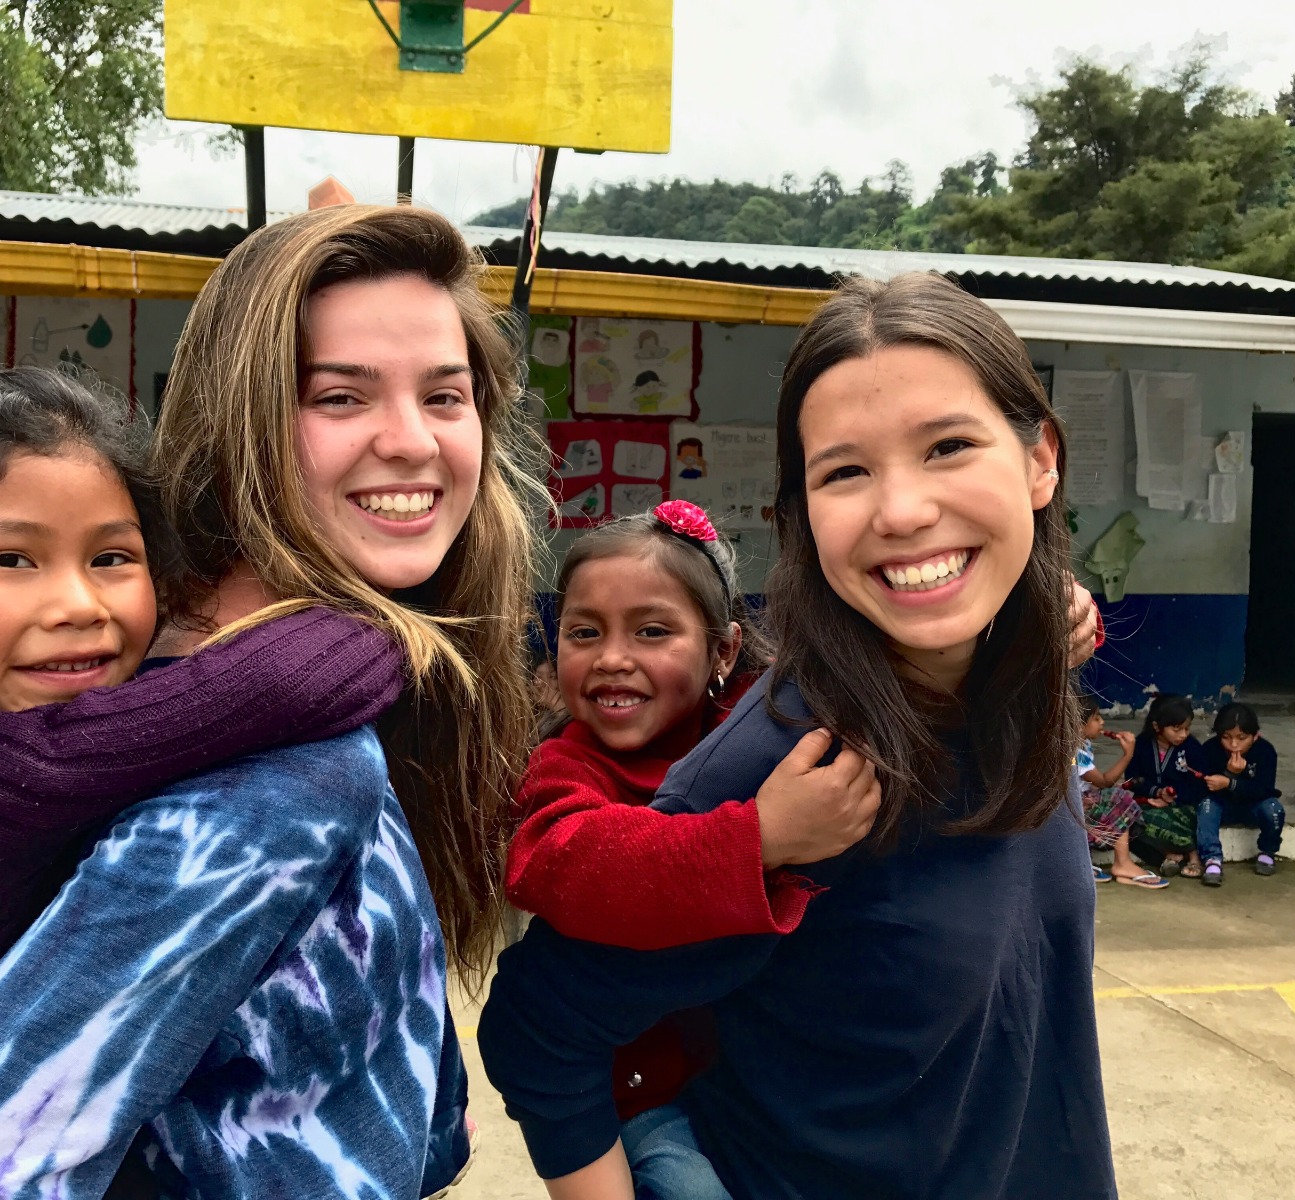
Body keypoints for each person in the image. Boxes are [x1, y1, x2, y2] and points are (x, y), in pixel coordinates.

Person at [0, 206, 545, 1198]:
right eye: (340, 398)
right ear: (240, 418)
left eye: (447, 396)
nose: (412, 441)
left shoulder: (247, 692)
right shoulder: (272, 782)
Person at [479, 271, 1116, 1200]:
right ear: (803, 516)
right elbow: (539, 1030)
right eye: (846, 471)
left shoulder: (1022, 682)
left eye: (947, 446)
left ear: (1039, 460)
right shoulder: (793, 779)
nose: (901, 510)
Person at [0, 368, 403, 1198]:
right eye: (10, 559)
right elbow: (300, 680)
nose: (78, 603)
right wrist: (394, 618)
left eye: (112, 557)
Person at [508, 500, 881, 1199]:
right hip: (644, 1093)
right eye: (584, 632)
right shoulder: (567, 766)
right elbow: (564, 862)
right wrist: (759, 838)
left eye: (652, 631)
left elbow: (892, 669)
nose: (613, 658)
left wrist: (1044, 623)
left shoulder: (761, 724)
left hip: (754, 1073)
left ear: (726, 650)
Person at [1078, 697, 1166, 889]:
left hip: (1079, 806)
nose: (1102, 722)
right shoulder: (1074, 752)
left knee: (1118, 796)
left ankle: (1119, 863)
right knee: (1118, 797)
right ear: (1078, 725)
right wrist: (1128, 755)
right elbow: (1103, 781)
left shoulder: (1083, 745)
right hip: (1068, 812)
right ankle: (1122, 863)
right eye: (1096, 718)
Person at [1196, 702, 1284, 884]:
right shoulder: (1211, 749)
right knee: (1206, 806)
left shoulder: (1265, 751)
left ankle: (1268, 851)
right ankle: (1212, 858)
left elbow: (1265, 789)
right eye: (1226, 737)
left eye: (1241, 738)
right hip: (1222, 806)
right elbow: (1202, 788)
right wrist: (1227, 774)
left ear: (1255, 736)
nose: (1233, 744)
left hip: (1253, 806)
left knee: (1274, 809)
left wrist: (1231, 781)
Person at [1123, 693, 1204, 880]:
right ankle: (1170, 854)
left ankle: (1192, 854)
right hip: (1149, 803)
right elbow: (1133, 779)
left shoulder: (1192, 748)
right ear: (1157, 726)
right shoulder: (1142, 745)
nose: (1183, 734)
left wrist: (1173, 796)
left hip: (1183, 806)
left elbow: (1200, 785)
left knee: (1181, 817)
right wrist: (1156, 792)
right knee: (1131, 820)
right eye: (1177, 729)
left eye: (1187, 728)